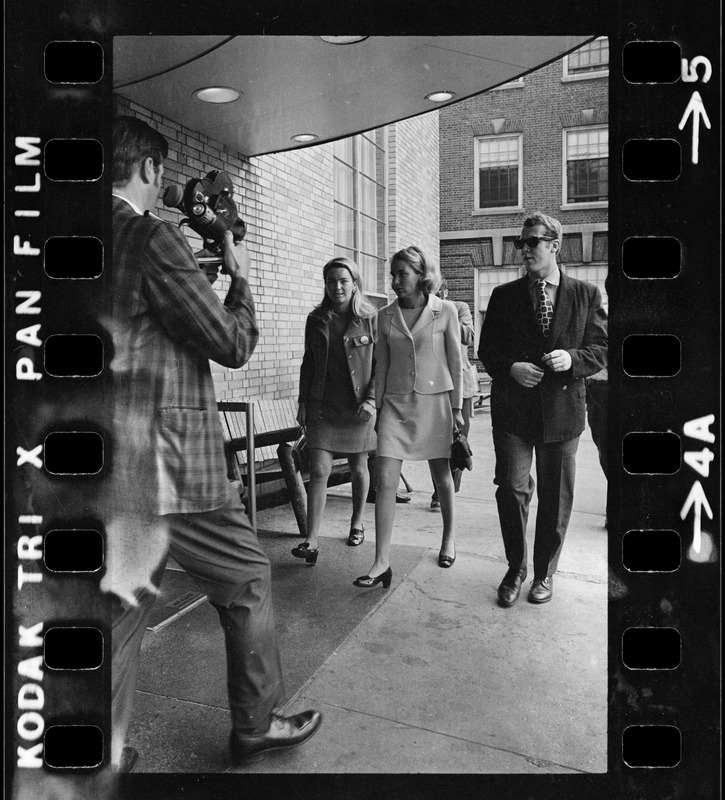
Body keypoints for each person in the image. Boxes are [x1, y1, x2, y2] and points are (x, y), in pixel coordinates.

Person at [105, 116, 322, 771]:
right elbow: (230, 344)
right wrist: (239, 278)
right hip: (172, 464)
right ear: (145, 169)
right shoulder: (148, 239)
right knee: (249, 581)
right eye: (161, 173)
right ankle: (255, 725)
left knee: (121, 606)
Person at [478, 211, 607, 607]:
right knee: (512, 489)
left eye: (532, 241)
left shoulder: (586, 294)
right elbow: (487, 352)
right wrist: (511, 368)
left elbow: (601, 349)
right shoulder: (503, 296)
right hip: (514, 412)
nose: (525, 249)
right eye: (522, 243)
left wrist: (572, 359)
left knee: (555, 497)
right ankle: (515, 567)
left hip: (563, 411)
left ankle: (544, 573)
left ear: (554, 244)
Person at [354, 246, 464, 587]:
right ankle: (381, 562)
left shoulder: (444, 311)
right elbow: (381, 365)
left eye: (403, 274)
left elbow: (456, 362)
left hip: (435, 404)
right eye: (393, 274)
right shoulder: (384, 316)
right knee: (385, 481)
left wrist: (457, 409)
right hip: (396, 407)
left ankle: (449, 538)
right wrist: (379, 407)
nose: (395, 280)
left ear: (422, 276)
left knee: (441, 476)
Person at [293, 257, 377, 562]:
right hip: (323, 406)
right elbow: (308, 364)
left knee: (358, 468)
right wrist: (303, 401)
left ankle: (357, 522)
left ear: (355, 283)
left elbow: (382, 366)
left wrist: (371, 400)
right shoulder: (316, 319)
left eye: (343, 280)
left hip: (358, 409)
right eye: (331, 281)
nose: (337, 287)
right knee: (318, 471)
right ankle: (311, 540)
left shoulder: (371, 319)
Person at [429, 278, 478, 508]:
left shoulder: (459, 308)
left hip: (461, 385)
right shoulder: (423, 312)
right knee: (436, 439)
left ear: (445, 292)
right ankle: (439, 490)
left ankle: (452, 482)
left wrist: (445, 317)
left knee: (458, 437)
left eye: (437, 292)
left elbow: (468, 336)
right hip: (434, 383)